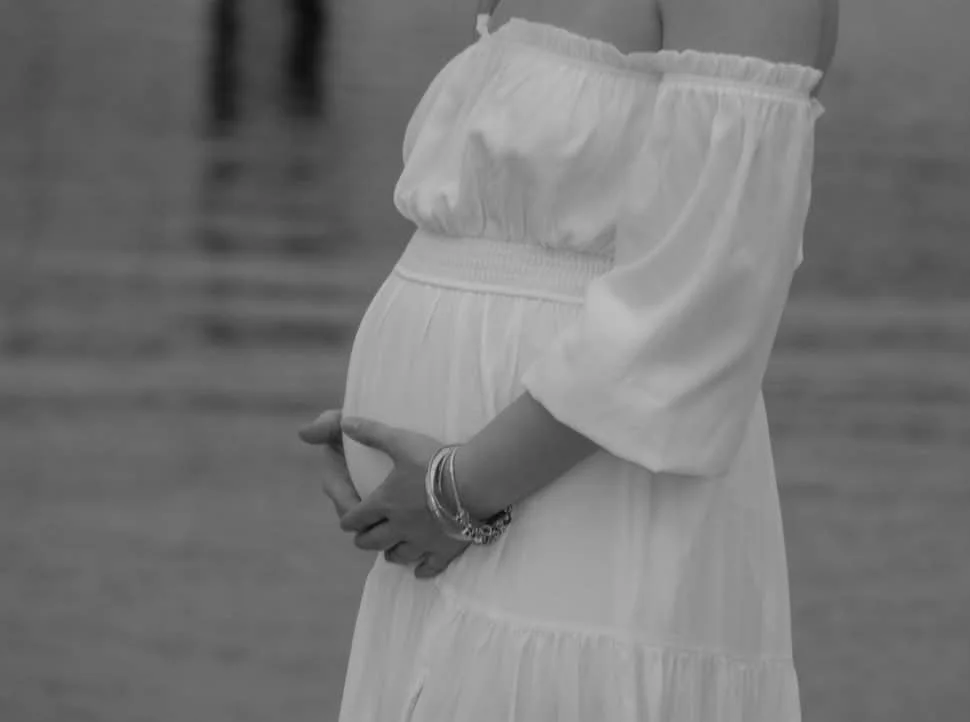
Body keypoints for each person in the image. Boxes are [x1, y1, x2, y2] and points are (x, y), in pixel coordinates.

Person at [299, 0, 839, 719]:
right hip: (457, 535)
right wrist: (398, 414)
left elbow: (706, 292)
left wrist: (455, 493)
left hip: (578, 517)